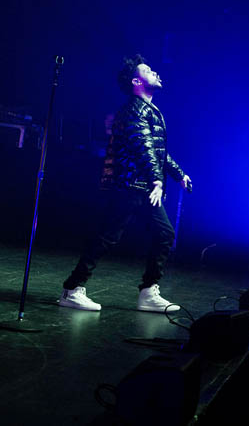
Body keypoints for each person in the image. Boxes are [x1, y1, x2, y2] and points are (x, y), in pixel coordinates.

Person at [58, 54, 191, 312]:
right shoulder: (132, 111)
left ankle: (148, 293)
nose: (156, 72)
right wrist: (157, 180)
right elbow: (143, 148)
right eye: (149, 70)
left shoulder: (147, 109)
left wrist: (178, 174)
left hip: (142, 186)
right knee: (108, 236)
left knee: (163, 234)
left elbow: (157, 150)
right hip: (128, 185)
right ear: (136, 81)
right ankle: (72, 289)